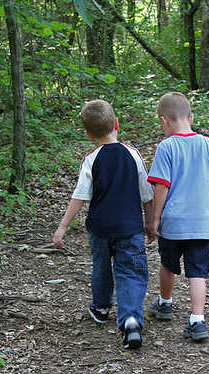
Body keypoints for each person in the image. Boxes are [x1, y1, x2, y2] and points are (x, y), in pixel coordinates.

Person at [52, 99, 154, 350]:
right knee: (130, 271)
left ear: (88, 134)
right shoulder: (133, 154)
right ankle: (130, 318)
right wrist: (151, 222)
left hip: (99, 227)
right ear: (117, 123)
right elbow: (146, 193)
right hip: (129, 227)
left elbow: (80, 195)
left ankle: (101, 306)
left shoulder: (91, 159)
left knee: (101, 266)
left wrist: (63, 226)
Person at [146, 92, 209, 342]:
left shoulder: (166, 147)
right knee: (198, 272)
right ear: (191, 117)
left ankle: (165, 303)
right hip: (202, 224)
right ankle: (197, 320)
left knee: (168, 264)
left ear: (164, 121)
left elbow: (161, 186)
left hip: (173, 224)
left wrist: (156, 219)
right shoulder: (208, 144)